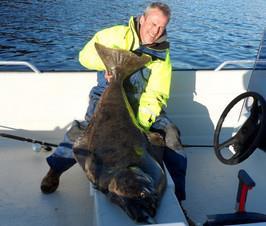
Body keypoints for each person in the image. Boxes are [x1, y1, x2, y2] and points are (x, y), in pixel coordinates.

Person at [41, 2, 187, 204]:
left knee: (171, 136)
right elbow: (84, 57)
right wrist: (107, 65)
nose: (156, 31)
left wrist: (138, 125)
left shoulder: (162, 54)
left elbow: (157, 93)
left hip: (141, 104)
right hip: (106, 94)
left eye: (162, 27)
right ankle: (54, 170)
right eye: (153, 24)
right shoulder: (115, 35)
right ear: (142, 19)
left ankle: (177, 199)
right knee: (83, 133)